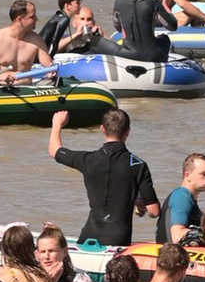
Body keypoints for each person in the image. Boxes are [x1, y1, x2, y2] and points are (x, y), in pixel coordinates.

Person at [48, 103, 160, 252]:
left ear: (102, 129)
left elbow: (54, 150)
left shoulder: (88, 159)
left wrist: (57, 124)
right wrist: (138, 201)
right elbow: (154, 211)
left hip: (89, 236)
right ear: (128, 132)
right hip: (118, 239)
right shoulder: (138, 165)